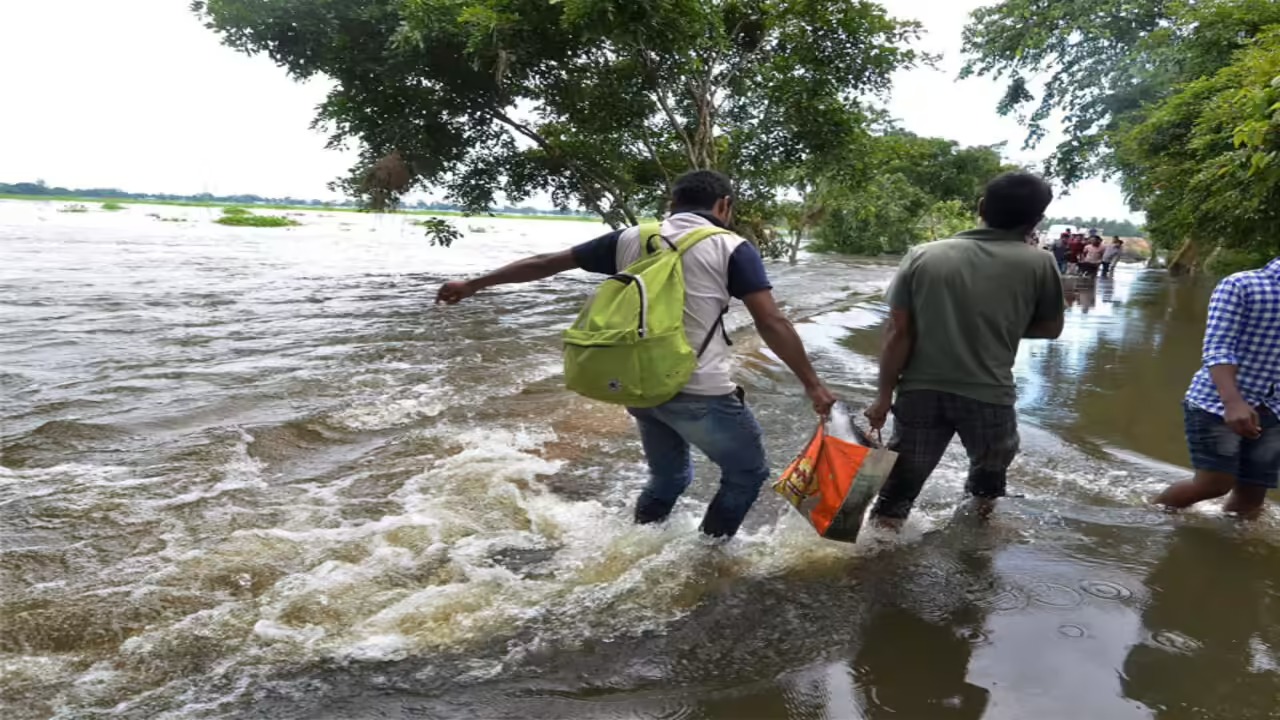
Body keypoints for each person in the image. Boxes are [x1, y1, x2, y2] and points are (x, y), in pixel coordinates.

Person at [436, 170, 836, 538]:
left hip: (639, 386)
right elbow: (771, 322)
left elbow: (546, 263)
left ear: (671, 203)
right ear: (724, 206)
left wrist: (473, 284)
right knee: (747, 474)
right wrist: (813, 385)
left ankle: (641, 540)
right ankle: (707, 556)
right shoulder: (731, 247)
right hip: (700, 390)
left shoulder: (631, 238)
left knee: (669, 479)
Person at [864, 172, 1065, 526]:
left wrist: (882, 398)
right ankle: (973, 557)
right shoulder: (1040, 262)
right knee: (985, 490)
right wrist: (1000, 325)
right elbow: (1051, 327)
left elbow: (898, 332)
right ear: (1037, 219)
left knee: (897, 493)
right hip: (989, 395)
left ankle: (876, 564)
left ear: (982, 207)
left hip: (918, 392)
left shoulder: (922, 255)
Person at [1153, 257, 1280, 519]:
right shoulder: (1241, 285)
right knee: (1214, 484)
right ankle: (1153, 517)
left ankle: (1228, 550)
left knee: (1252, 495)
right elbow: (1218, 346)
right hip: (1217, 403)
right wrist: (1232, 402)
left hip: (1275, 409)